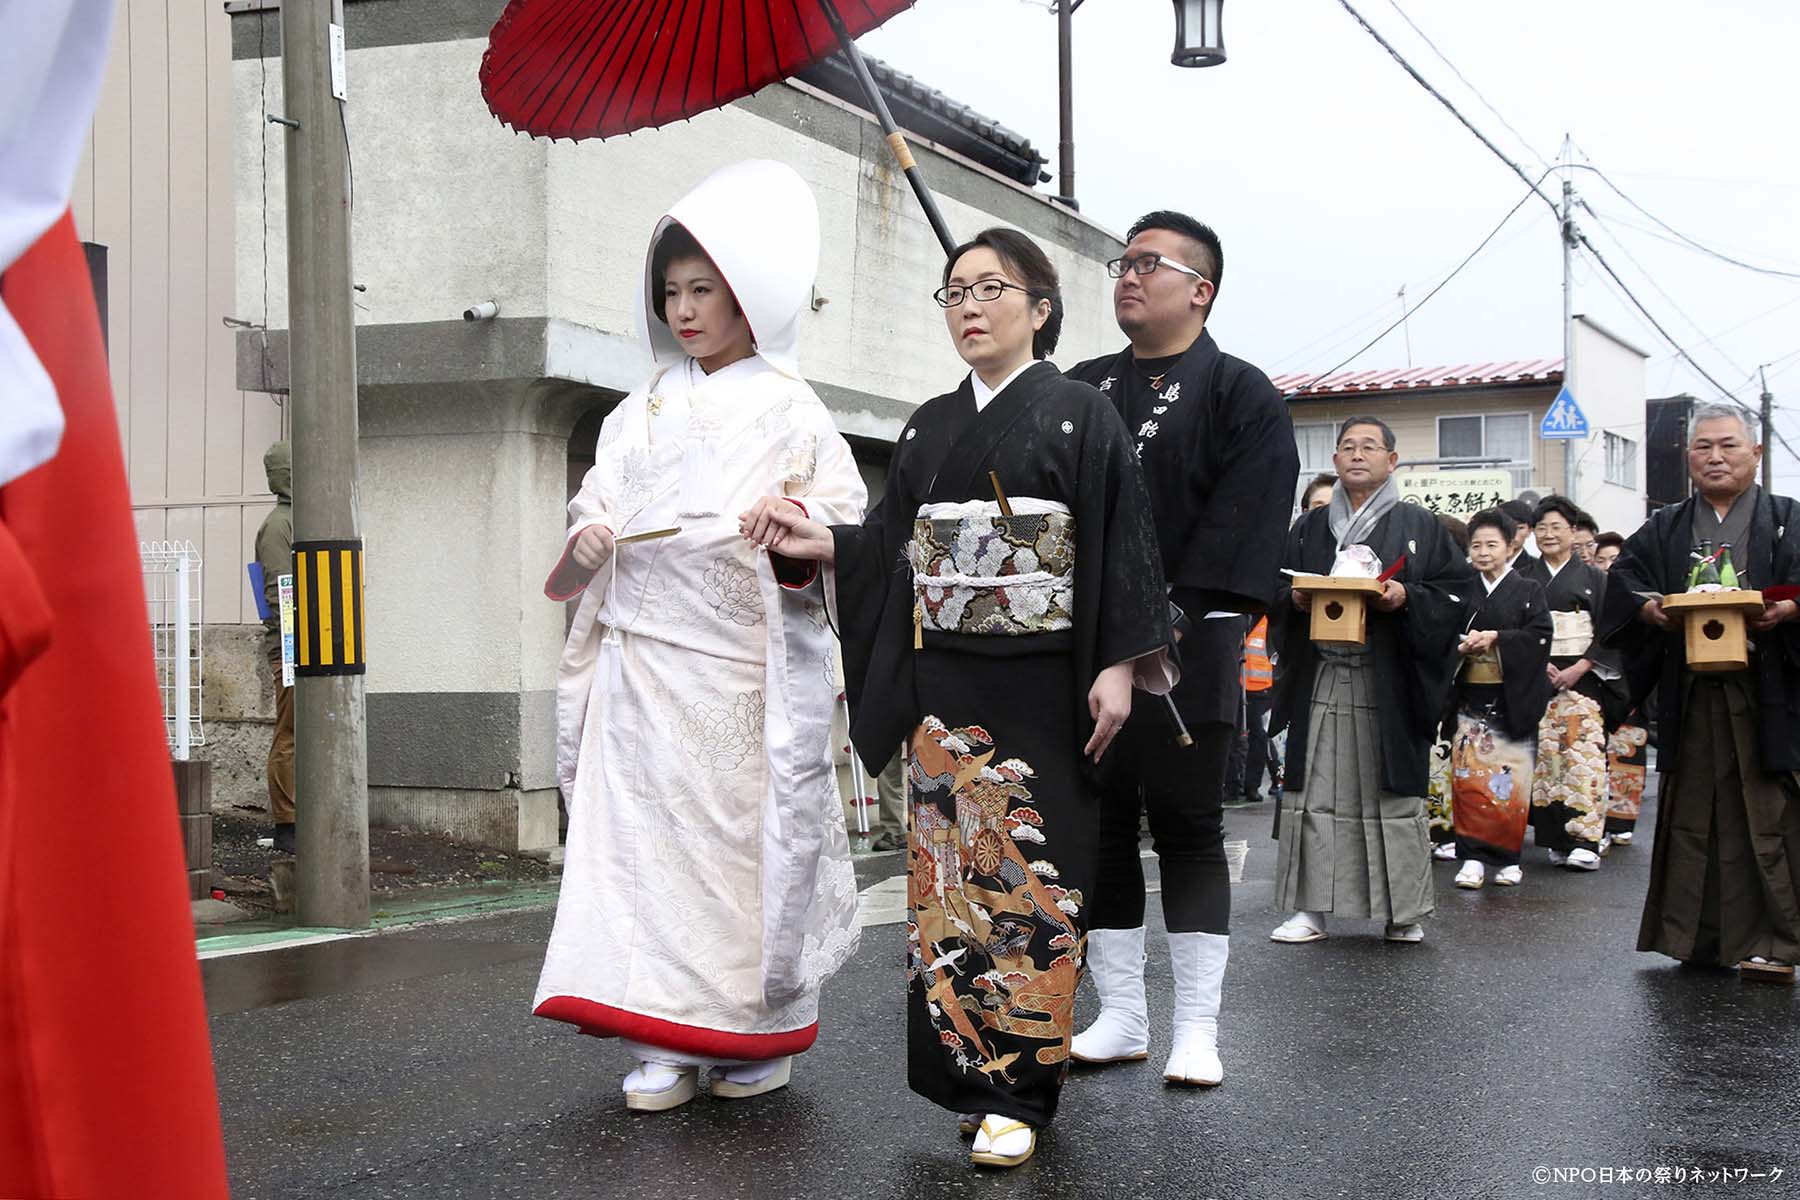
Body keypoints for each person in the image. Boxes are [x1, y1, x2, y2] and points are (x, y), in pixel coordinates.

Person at [740, 227, 1176, 1167]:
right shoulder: (928, 424)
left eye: (990, 288)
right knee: (948, 888)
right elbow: (893, 546)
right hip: (950, 686)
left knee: (1030, 885)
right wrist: (814, 539)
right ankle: (968, 1080)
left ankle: (1021, 1089)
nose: (969, 307)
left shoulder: (1081, 414)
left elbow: (1115, 543)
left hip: (1046, 683)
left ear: (1041, 307)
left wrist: (1115, 661)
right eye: (953, 293)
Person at [533, 161, 868, 1112]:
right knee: (637, 853)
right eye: (671, 292)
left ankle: (751, 1033)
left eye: (703, 291)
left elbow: (841, 515)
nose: (684, 311)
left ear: (747, 297)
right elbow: (585, 527)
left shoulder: (794, 408)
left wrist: (792, 518)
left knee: (734, 855)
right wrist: (586, 543)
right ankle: (656, 1034)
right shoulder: (631, 412)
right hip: (640, 671)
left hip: (734, 672)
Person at [1062, 211, 1299, 1089]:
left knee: (1191, 830)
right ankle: (1121, 1014)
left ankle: (1196, 1026)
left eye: (1148, 264)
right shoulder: (1083, 387)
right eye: (1121, 263)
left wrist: (1156, 628)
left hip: (1188, 644)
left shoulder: (1242, 393)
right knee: (1104, 830)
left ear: (1200, 289)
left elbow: (1242, 527)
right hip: (1088, 651)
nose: (1127, 276)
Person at [1602, 403, 1800, 983]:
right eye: (1702, 447)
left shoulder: (1788, 519)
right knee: (1694, 814)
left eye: (1729, 446)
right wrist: (1647, 606)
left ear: (1757, 454)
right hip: (1690, 694)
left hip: (1768, 694)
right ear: (1688, 458)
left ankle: (1777, 942)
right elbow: (1623, 579)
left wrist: (1790, 608)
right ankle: (1698, 937)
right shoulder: (1666, 527)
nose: (1715, 457)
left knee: (1767, 815)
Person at [1269, 416, 1473, 945]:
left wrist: (1407, 597)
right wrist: (1291, 600)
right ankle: (1311, 909)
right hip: (1321, 676)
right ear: (1334, 461)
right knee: (1315, 791)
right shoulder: (1310, 527)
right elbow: (1276, 583)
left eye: (1369, 446)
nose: (1357, 455)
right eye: (1347, 447)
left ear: (1392, 460)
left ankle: (1402, 912)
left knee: (1389, 798)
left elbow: (1457, 593)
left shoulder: (1420, 524)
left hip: (1388, 680)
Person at [1445, 509, 1553, 890]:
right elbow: (1442, 632)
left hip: (1512, 696)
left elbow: (1541, 633)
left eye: (1492, 544)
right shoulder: (1462, 587)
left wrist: (1498, 638)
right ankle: (1472, 856)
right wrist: (1461, 644)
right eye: (1476, 545)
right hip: (1470, 695)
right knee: (1469, 776)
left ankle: (1508, 858)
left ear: (1511, 547)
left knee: (1510, 779)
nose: (1483, 552)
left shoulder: (1528, 589)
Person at [1519, 496, 1619, 872]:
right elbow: (1519, 623)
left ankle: (1586, 840)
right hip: (1537, 672)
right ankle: (1555, 839)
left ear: (1573, 531)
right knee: (1546, 759)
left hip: (1585, 674)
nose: (1548, 534)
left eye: (1556, 527)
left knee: (1584, 755)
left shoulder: (1595, 578)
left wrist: (1582, 665)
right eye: (1541, 528)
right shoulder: (1526, 576)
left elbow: (1611, 629)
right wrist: (1538, 659)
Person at [254, 441, 295, 855]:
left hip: (317, 647)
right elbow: (280, 589)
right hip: (293, 646)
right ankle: (288, 823)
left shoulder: (304, 518)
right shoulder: (279, 525)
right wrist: (293, 645)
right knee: (292, 732)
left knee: (302, 732)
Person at [1224, 615, 1278, 806]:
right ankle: (1232, 785)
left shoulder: (1266, 622)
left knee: (1260, 738)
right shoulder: (1243, 619)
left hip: (1262, 689)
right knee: (1232, 736)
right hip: (1237, 686)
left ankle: (1251, 786)